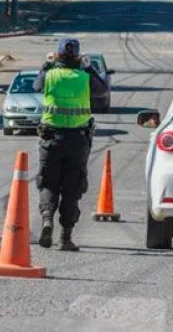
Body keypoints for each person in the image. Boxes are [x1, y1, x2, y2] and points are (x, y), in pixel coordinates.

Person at [33, 38, 109, 251]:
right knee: (72, 187)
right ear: (76, 55)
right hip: (77, 140)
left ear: (57, 55)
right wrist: (89, 67)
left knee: (48, 182)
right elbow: (101, 90)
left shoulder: (51, 74)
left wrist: (46, 65)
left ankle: (47, 219)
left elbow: (36, 85)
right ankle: (65, 238)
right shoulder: (83, 76)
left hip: (51, 139)